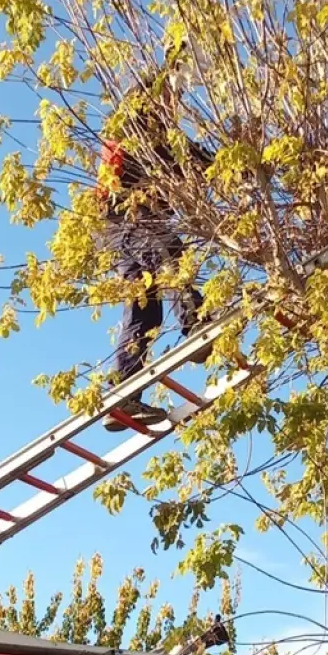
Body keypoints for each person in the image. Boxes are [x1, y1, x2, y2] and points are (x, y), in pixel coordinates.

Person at [97, 66, 216, 432]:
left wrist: (217, 164)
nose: (174, 105)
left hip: (114, 232)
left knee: (144, 311)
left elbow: (189, 157)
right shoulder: (138, 123)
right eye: (169, 98)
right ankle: (196, 325)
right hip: (131, 218)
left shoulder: (147, 130)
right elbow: (181, 152)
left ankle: (123, 395)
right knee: (169, 255)